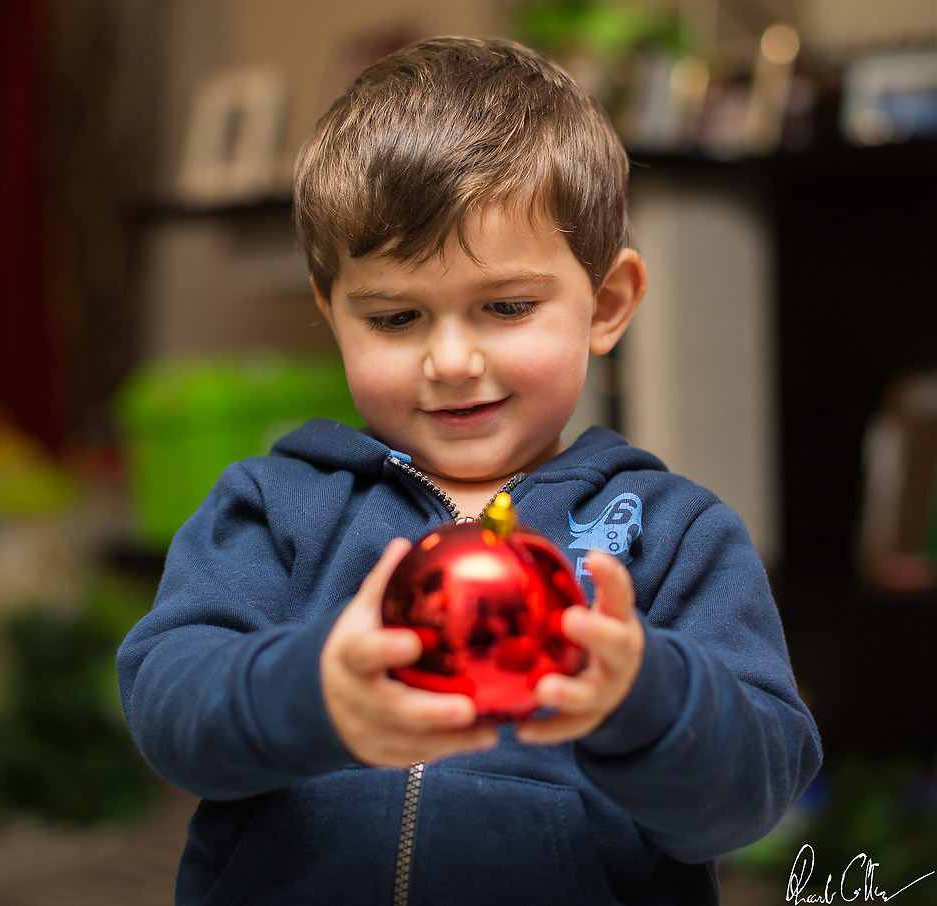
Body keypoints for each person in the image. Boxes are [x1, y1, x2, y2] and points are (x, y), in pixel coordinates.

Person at [117, 36, 821, 905]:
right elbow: (169, 704)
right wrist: (314, 692)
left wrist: (644, 700)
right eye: (396, 317)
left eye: (508, 307)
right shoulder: (276, 507)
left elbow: (755, 790)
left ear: (605, 305)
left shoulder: (672, 534)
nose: (451, 360)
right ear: (332, 313)